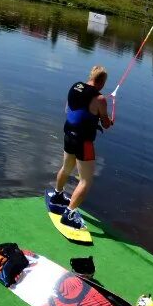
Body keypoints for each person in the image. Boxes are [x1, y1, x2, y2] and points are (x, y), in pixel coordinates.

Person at [47, 65, 113, 230]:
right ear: (102, 81)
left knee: (66, 167)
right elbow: (105, 124)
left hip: (69, 135)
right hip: (84, 142)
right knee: (86, 181)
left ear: (91, 75)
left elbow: (67, 109)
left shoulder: (75, 87)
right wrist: (108, 120)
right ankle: (69, 214)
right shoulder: (100, 99)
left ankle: (57, 196)